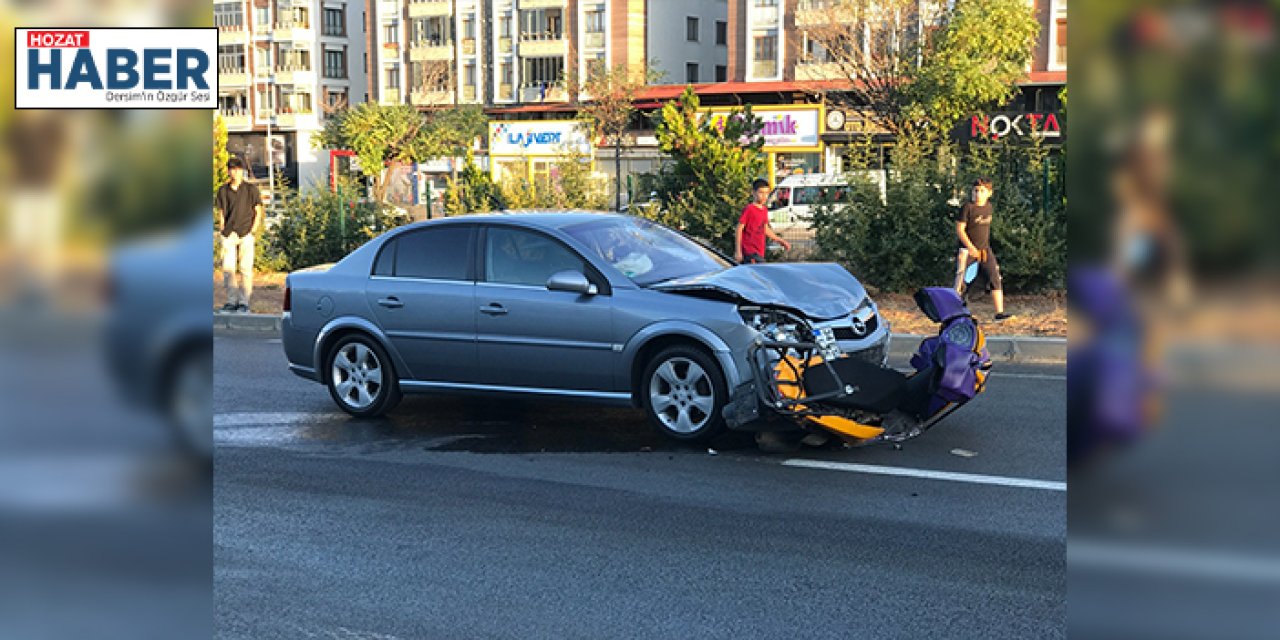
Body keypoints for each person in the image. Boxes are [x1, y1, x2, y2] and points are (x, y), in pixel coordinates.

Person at [953, 177, 1013, 320]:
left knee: (995, 277)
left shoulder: (989, 208)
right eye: (975, 191)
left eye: (981, 191)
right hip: (967, 250)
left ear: (989, 193)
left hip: (985, 250)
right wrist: (970, 247)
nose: (978, 194)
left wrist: (981, 249)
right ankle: (954, 312)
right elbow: (960, 230)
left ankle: (999, 313)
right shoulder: (967, 208)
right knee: (961, 280)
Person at [215, 157, 263, 312]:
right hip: (229, 234)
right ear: (228, 171)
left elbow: (258, 210)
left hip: (246, 233)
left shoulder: (251, 190)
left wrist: (253, 229)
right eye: (232, 169)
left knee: (245, 269)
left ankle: (244, 303)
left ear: (242, 171)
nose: (235, 172)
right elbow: (221, 211)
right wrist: (222, 228)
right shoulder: (223, 190)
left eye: (237, 169)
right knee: (228, 270)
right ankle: (231, 301)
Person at [735, 178, 790, 264]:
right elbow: (739, 229)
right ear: (753, 193)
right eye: (761, 193)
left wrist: (779, 240)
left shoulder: (764, 210)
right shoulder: (749, 209)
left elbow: (764, 228)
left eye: (766, 193)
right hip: (750, 252)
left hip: (760, 251)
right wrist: (738, 251)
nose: (764, 196)